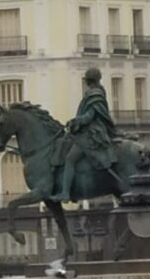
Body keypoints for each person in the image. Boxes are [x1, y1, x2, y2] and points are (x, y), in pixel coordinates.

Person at [51, 66, 120, 203]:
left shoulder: (94, 94)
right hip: (90, 130)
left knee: (70, 159)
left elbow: (90, 116)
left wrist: (77, 120)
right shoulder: (98, 92)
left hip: (92, 133)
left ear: (89, 80)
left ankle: (65, 193)